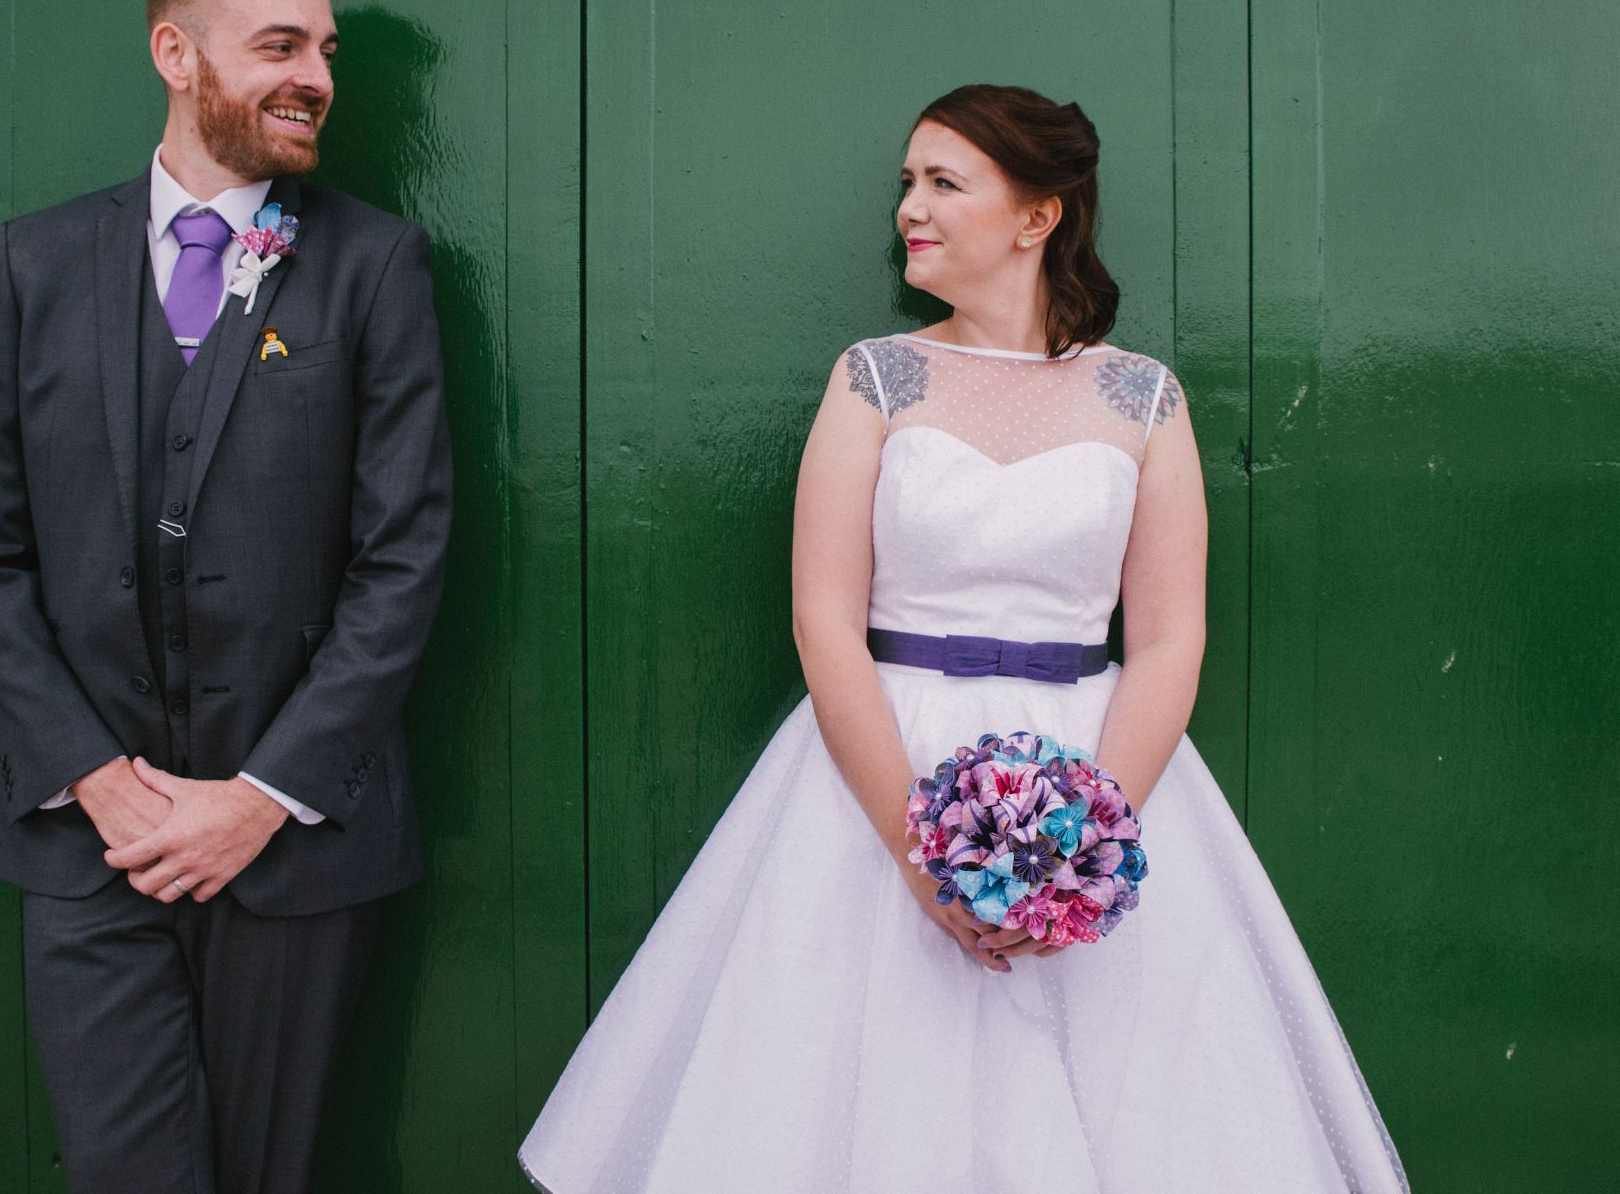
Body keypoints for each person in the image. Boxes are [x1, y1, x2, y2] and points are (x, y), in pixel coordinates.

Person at [519, 85, 1407, 1192]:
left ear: (1037, 216)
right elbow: (823, 620)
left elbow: (1170, 639)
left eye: (943, 181)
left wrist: (1075, 849)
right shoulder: (874, 376)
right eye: (907, 182)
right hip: (875, 773)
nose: (909, 208)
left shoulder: (1142, 398)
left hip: (1092, 765)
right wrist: (917, 849)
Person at [0, 0, 451, 1194]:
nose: (316, 76)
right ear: (176, 50)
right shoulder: (37, 260)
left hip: (294, 840)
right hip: (86, 840)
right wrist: (94, 777)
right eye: (278, 43)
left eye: (324, 49)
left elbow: (403, 555)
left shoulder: (374, 263)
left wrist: (259, 794)